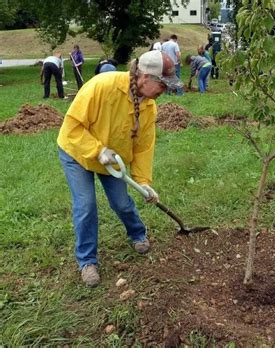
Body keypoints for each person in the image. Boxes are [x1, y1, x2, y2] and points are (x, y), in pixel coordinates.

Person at [57, 50, 183, 287]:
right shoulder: (103, 86)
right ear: (144, 77)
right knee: (86, 206)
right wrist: (97, 150)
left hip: (113, 161)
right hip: (77, 152)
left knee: (122, 203)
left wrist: (144, 181)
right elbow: (72, 127)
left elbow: (144, 147)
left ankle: (138, 234)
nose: (163, 92)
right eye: (162, 86)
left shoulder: (148, 106)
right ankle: (87, 261)